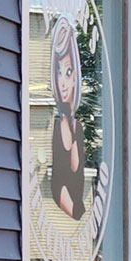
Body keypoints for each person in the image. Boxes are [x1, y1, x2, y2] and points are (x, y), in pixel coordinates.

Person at [48, 16, 86, 222]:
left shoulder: (77, 127)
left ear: (76, 77)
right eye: (59, 72)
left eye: (68, 72)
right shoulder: (56, 126)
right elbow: (59, 186)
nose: (62, 82)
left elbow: (76, 167)